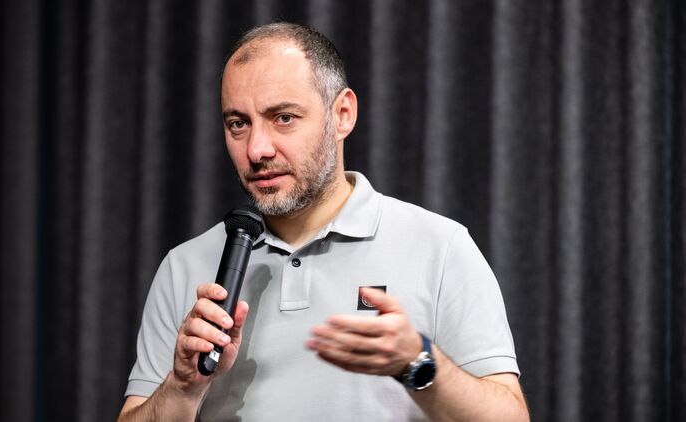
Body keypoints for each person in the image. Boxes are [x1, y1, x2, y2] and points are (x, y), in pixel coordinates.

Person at [118, 22, 529, 421]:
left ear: (342, 115)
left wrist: (417, 362)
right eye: (238, 124)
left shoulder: (439, 247)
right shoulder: (184, 266)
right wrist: (182, 387)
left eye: (283, 118)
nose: (257, 149)